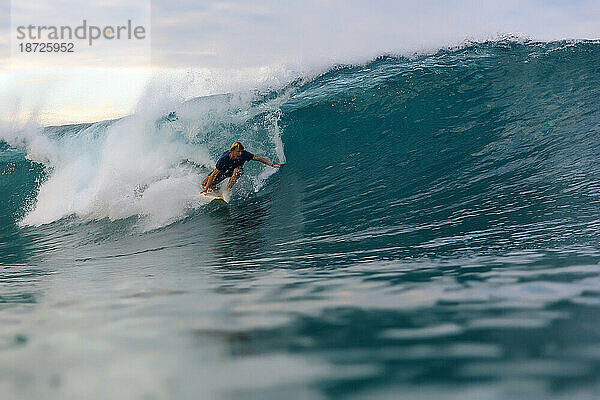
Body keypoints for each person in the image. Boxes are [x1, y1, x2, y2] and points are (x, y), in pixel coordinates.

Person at [201, 142, 284, 193]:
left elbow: (258, 158)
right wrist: (206, 189)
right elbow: (213, 175)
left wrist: (273, 165)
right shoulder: (224, 159)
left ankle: (226, 191)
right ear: (232, 151)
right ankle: (216, 189)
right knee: (204, 184)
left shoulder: (244, 154)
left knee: (237, 170)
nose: (240, 153)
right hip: (224, 171)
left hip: (235, 171)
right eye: (238, 151)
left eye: (241, 151)